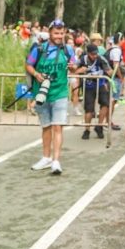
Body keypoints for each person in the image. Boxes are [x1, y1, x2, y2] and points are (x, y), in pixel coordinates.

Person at [26, 19, 77, 175]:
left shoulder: (68, 50)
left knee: (57, 126)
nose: (59, 36)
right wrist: (35, 74)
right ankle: (46, 158)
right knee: (46, 127)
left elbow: (75, 66)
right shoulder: (39, 49)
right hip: (41, 93)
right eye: (56, 33)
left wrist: (72, 66)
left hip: (60, 93)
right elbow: (28, 65)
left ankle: (56, 161)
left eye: (61, 33)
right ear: (49, 33)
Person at [74, 43, 112, 140]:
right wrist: (81, 70)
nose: (95, 56)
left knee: (105, 104)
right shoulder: (83, 59)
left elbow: (109, 71)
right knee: (89, 110)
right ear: (88, 53)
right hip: (88, 86)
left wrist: (108, 72)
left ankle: (99, 126)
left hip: (101, 84)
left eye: (96, 54)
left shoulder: (101, 59)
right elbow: (73, 70)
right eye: (92, 54)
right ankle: (87, 130)